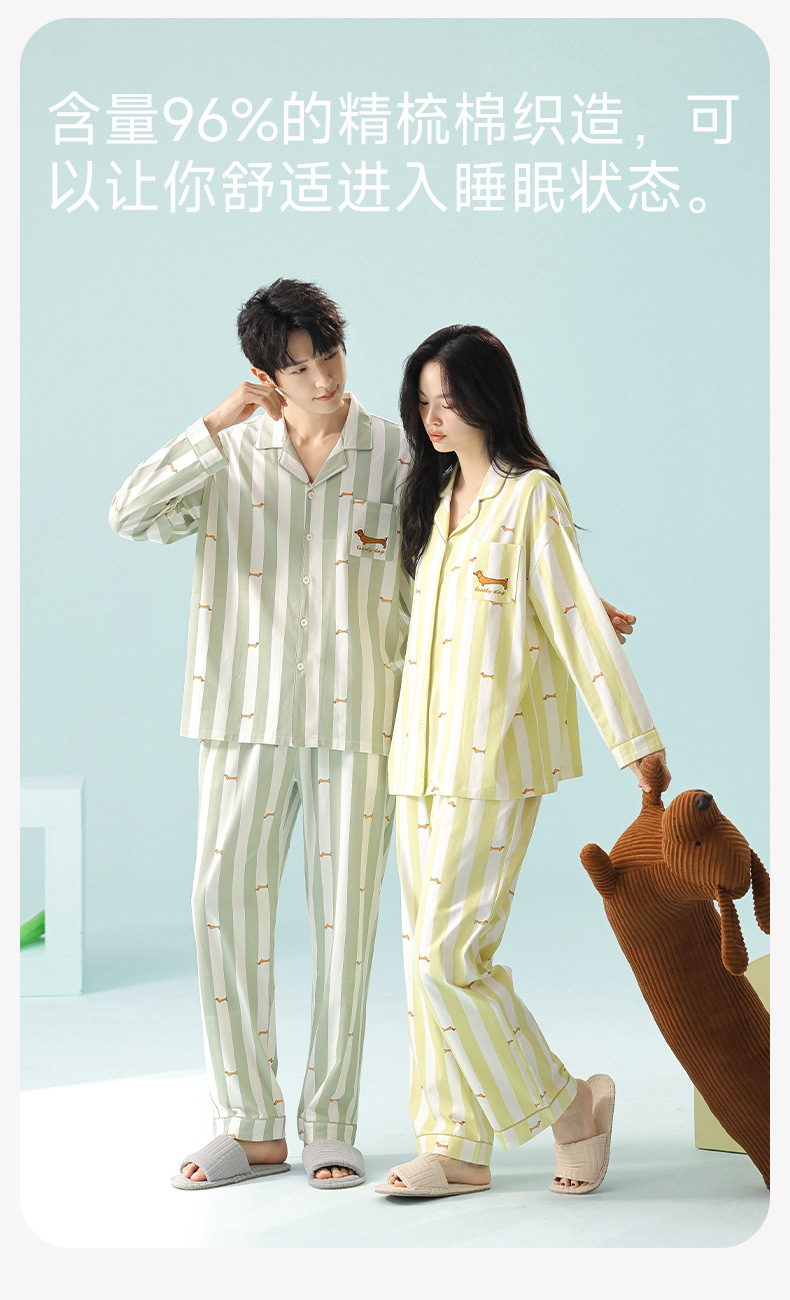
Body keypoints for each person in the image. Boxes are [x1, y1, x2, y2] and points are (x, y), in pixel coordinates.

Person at [109, 284, 639, 1194]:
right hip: (241, 710)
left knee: (346, 925)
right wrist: (218, 419)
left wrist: (576, 604)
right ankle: (249, 1124)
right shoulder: (227, 452)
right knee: (219, 905)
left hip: (363, 718)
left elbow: (464, 563)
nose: (320, 378)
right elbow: (128, 515)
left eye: (329, 355)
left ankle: (330, 1124)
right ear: (264, 374)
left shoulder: (399, 456)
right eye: (296, 367)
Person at [378, 324, 668, 1200]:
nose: (434, 417)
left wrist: (636, 744)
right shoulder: (433, 500)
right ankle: (456, 1146)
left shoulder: (530, 495)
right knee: (420, 964)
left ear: (488, 400)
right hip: (416, 758)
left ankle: (572, 1105)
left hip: (494, 758)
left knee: (448, 955)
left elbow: (572, 619)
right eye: (423, 402)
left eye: (450, 400)